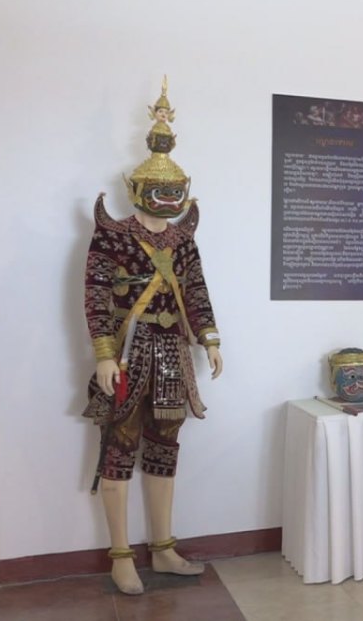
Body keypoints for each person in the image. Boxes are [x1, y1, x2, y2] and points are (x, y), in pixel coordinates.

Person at [83, 79, 223, 596]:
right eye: (160, 190)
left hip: (172, 354)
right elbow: (96, 293)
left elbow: (196, 289)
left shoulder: (183, 239)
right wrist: (104, 353)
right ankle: (121, 556)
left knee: (165, 447)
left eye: (175, 190)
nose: (169, 198)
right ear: (137, 188)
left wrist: (209, 337)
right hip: (127, 353)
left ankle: (162, 547)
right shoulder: (113, 233)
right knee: (119, 446)